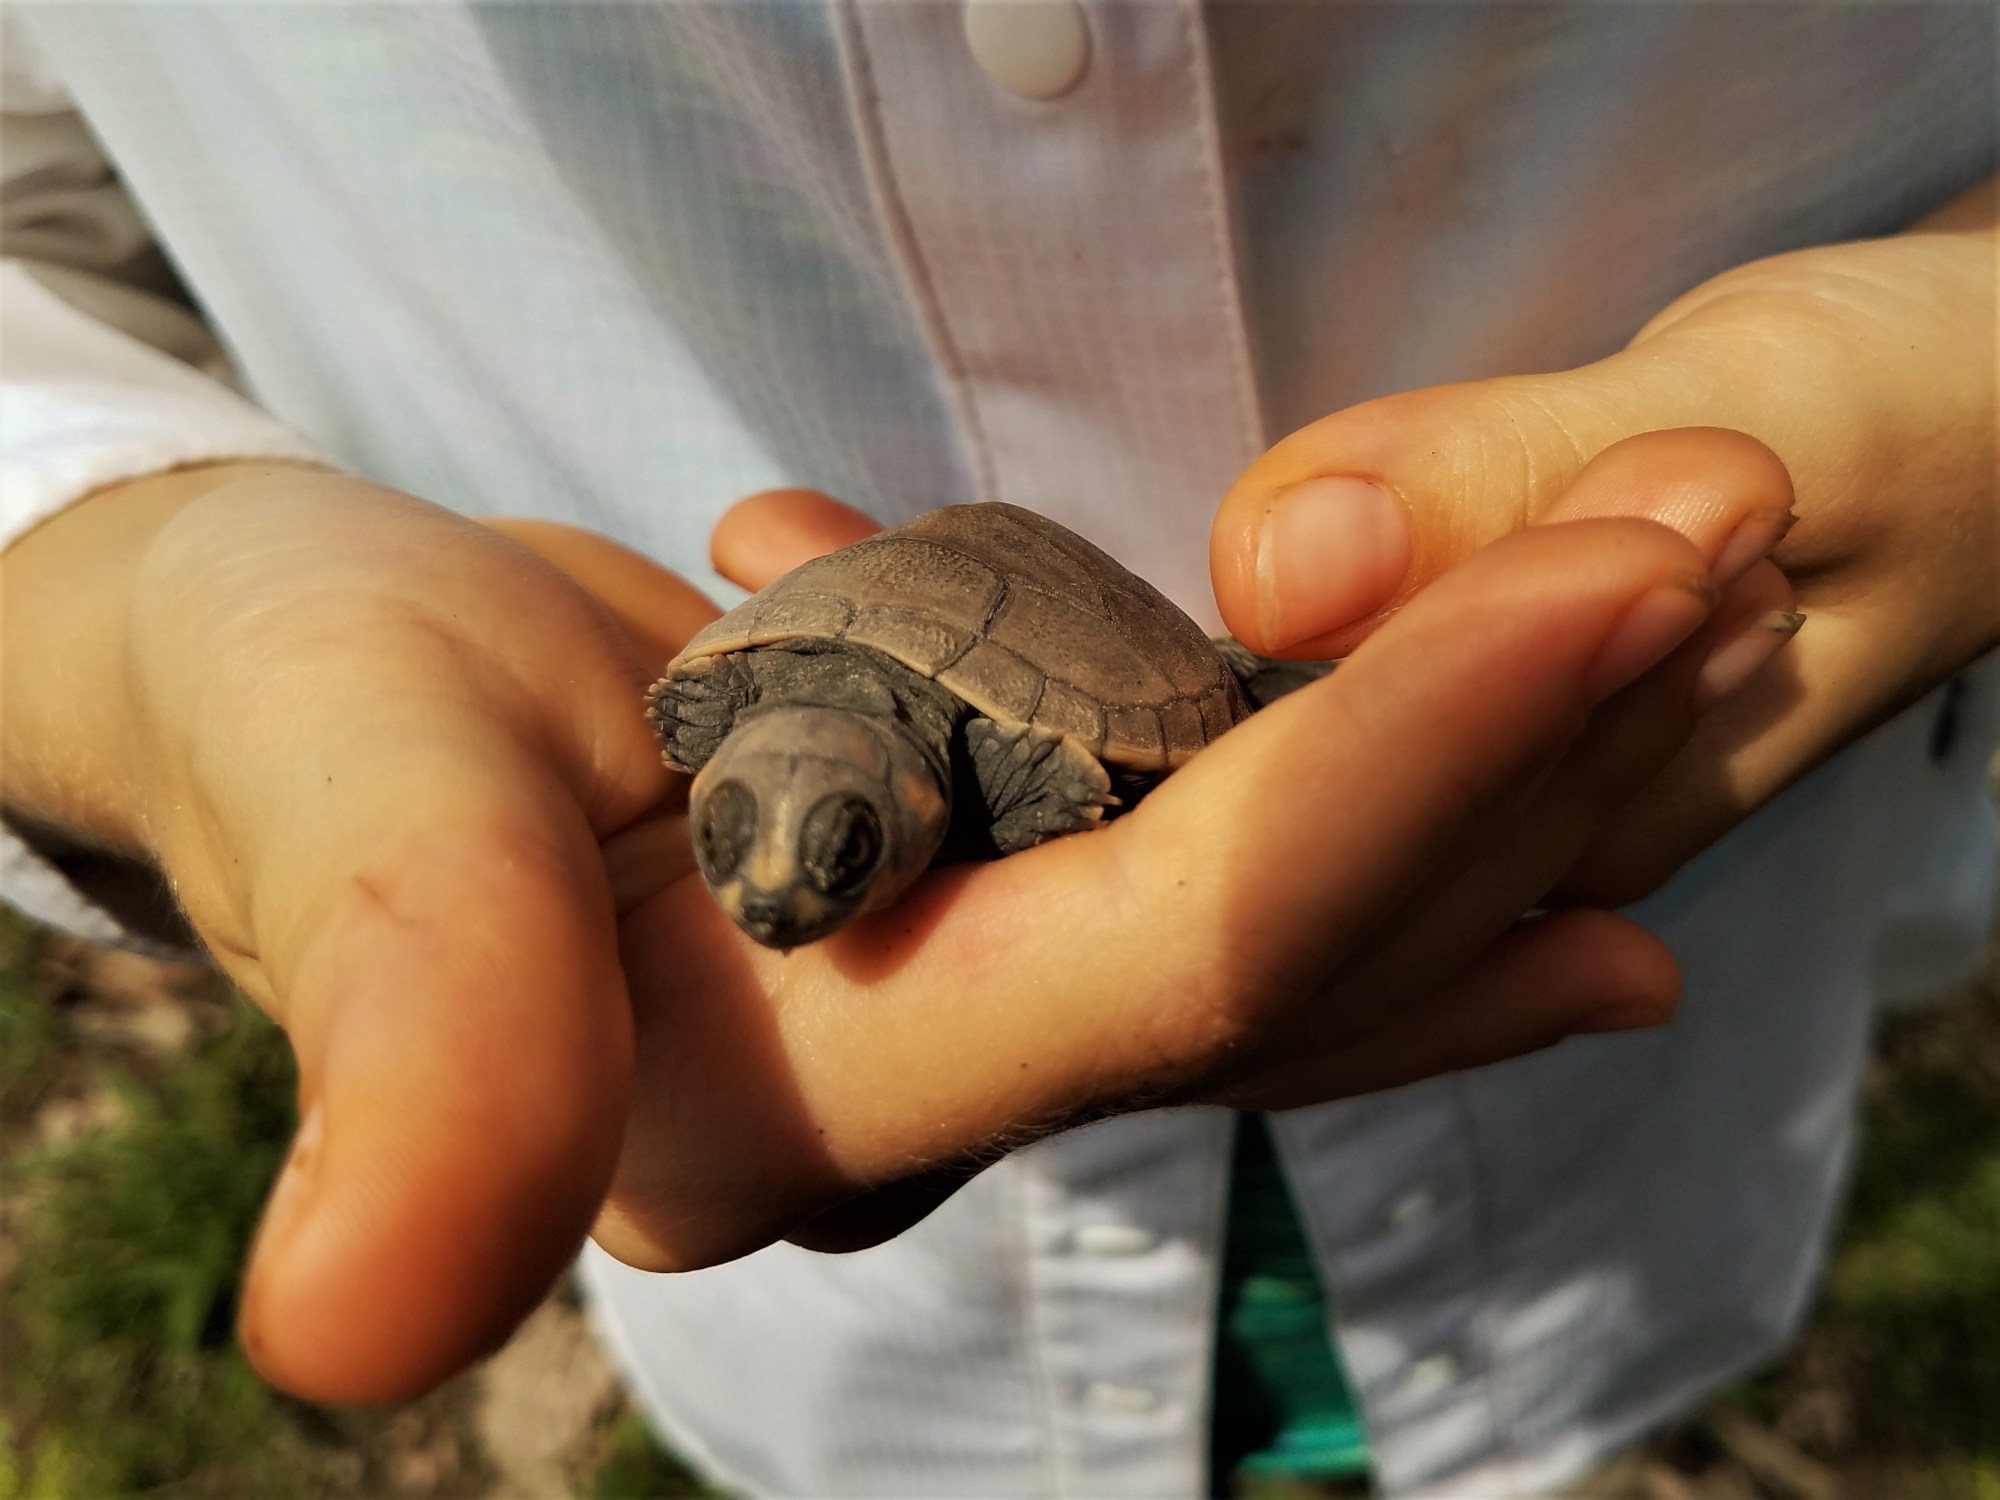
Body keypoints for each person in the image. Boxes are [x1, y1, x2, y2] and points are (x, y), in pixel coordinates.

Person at [1, 5, 1993, 1496]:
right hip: (855, 1348)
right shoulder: (698, 709)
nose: (771, 901)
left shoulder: (939, 742)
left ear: (905, 802)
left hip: (1671, 1078)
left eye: (817, 858)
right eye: (752, 843)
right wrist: (122, 572)